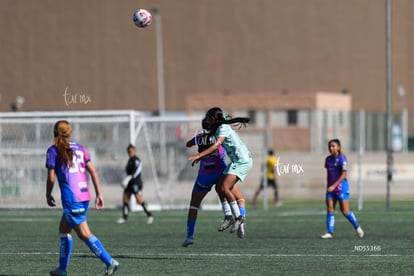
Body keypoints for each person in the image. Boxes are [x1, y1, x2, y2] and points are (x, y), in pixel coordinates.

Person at [45, 120, 119, 276]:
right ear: (69, 133)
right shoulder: (80, 148)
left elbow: (51, 178)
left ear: (54, 132)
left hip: (72, 198)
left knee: (84, 234)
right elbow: (93, 171)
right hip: (84, 195)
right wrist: (99, 194)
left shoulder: (53, 150)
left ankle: (110, 262)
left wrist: (48, 193)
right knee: (64, 230)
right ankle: (62, 270)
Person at [188, 107, 252, 236]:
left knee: (224, 187)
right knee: (219, 187)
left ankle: (239, 218)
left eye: (207, 118)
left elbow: (216, 145)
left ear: (213, 119)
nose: (206, 120)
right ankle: (229, 217)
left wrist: (199, 156)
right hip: (236, 162)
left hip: (241, 161)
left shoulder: (222, 129)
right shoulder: (218, 128)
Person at [320, 138, 364, 239]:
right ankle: (330, 232)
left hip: (341, 188)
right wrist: (328, 187)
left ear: (338, 148)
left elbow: (343, 175)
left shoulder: (342, 159)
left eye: (333, 146)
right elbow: (329, 175)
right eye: (329, 146)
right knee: (330, 209)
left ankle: (357, 227)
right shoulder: (328, 159)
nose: (331, 148)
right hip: (330, 189)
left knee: (345, 211)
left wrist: (333, 186)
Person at [116, 144, 154, 225]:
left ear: (134, 151)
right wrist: (126, 180)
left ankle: (150, 215)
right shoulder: (129, 160)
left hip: (136, 182)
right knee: (125, 198)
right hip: (129, 183)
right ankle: (124, 217)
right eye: (129, 151)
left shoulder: (137, 160)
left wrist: (128, 178)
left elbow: (136, 171)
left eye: (132, 151)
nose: (130, 153)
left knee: (139, 200)